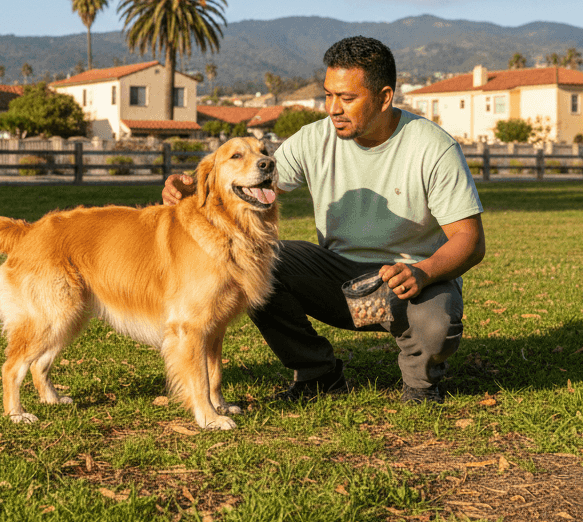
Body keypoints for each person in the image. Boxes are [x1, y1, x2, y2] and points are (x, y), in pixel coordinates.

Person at [163, 36, 485, 403]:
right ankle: (318, 373)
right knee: (257, 264)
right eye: (329, 95)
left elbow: (470, 239)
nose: (333, 108)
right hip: (339, 282)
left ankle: (420, 385)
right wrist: (189, 188)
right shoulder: (315, 138)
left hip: (409, 279)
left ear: (384, 97)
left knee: (436, 322)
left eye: (347, 98)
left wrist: (424, 272)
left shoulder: (432, 147)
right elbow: (253, 178)